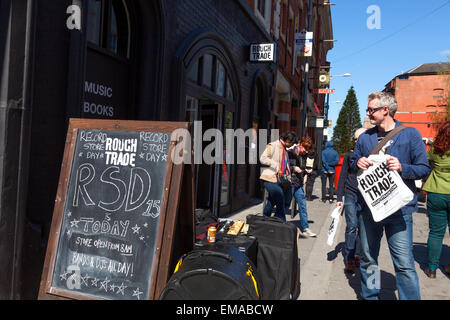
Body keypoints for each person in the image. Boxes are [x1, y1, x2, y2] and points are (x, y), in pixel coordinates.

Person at [351, 92, 430, 300]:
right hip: (370, 209)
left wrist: (403, 167)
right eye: (367, 109)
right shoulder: (365, 137)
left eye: (371, 109)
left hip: (400, 210)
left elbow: (423, 168)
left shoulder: (410, 134)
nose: (368, 113)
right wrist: (357, 163)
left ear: (385, 110)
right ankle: (371, 296)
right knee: (369, 259)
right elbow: (353, 163)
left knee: (404, 263)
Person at [421, 121, 450, 278]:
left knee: (436, 233)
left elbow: (427, 164)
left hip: (436, 192)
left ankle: (432, 269)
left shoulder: (435, 150)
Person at [336, 128, 366, 273]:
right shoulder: (350, 155)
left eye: (358, 138)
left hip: (366, 197)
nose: (356, 141)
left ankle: (358, 255)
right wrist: (339, 197)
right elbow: (342, 176)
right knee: (352, 225)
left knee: (362, 228)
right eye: (355, 139)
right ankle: (349, 258)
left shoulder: (373, 156)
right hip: (351, 194)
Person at [260, 132, 296, 222]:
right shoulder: (273, 145)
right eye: (291, 143)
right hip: (269, 177)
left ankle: (264, 219)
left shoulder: (285, 149)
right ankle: (281, 221)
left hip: (279, 180)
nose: (291, 145)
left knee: (272, 202)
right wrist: (276, 166)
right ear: (287, 140)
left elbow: (285, 165)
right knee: (280, 197)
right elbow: (263, 158)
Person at [289, 136, 317, 237]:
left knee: (302, 205)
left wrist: (305, 174)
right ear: (300, 145)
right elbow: (285, 165)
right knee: (285, 204)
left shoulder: (305, 154)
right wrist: (293, 168)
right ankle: (279, 225)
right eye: (305, 149)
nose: (305, 151)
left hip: (299, 182)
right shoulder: (292, 151)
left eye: (307, 149)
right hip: (290, 181)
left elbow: (304, 167)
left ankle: (305, 228)